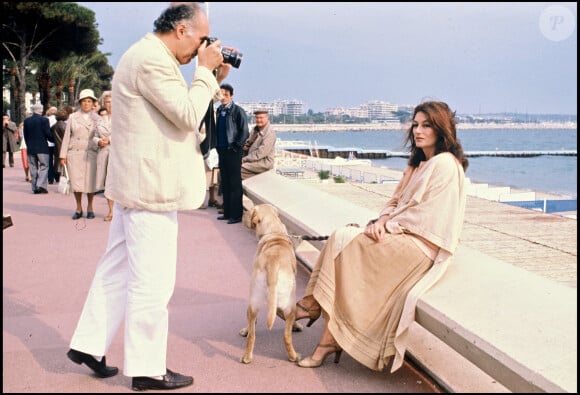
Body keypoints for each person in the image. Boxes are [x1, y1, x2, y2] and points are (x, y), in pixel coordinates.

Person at [66, 3, 231, 391]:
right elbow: (188, 115)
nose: (202, 46)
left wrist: (206, 73)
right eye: (201, 38)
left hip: (135, 184)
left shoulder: (147, 55)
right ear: (180, 30)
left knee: (117, 269)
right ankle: (147, 368)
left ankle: (89, 344)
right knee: (152, 282)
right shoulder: (152, 61)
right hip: (150, 189)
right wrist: (205, 73)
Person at [293, 101, 469, 373]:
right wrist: (383, 220)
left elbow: (430, 217)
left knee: (343, 240)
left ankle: (314, 308)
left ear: (441, 129)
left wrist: (389, 227)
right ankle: (327, 337)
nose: (418, 131)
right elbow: (395, 201)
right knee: (343, 242)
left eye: (426, 125)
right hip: (402, 234)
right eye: (415, 124)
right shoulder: (419, 163)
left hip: (420, 246)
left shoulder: (445, 164)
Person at [59, 89, 100, 219]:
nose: (86, 104)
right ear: (80, 103)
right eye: (84, 101)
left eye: (89, 101)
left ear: (93, 103)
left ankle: (90, 207)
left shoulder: (97, 118)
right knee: (76, 183)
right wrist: (63, 155)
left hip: (91, 153)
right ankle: (78, 208)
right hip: (75, 154)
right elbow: (66, 136)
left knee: (90, 182)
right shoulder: (73, 117)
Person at [215, 83, 249, 224]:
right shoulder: (219, 110)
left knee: (235, 183)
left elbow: (245, 131)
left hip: (233, 151)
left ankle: (236, 215)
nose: (223, 97)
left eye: (226, 95)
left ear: (231, 96)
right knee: (225, 182)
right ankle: (227, 212)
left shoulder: (237, 111)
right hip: (222, 150)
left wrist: (236, 146)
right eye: (221, 94)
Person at [23, 103, 53, 194]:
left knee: (33, 167)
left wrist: (29, 144)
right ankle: (40, 186)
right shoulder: (44, 120)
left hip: (31, 147)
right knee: (44, 166)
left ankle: (34, 187)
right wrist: (53, 139)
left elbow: (25, 135)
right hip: (42, 147)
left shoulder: (27, 121)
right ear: (41, 110)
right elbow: (48, 134)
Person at [241, 109, 276, 180]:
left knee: (233, 171)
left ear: (267, 118)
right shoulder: (255, 130)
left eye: (261, 118)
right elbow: (248, 144)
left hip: (263, 164)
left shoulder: (269, 134)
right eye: (257, 118)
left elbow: (260, 153)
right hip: (253, 161)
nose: (259, 120)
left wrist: (244, 160)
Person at [95, 90, 114, 221]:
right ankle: (111, 211)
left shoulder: (123, 117)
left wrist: (110, 140)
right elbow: (93, 136)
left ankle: (121, 210)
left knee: (118, 182)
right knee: (107, 183)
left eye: (112, 102)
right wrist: (98, 141)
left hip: (118, 154)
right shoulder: (99, 119)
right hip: (103, 153)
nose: (110, 105)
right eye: (107, 102)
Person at [52, 108, 69, 184]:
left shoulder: (53, 126)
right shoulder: (65, 126)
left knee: (56, 162)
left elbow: (50, 137)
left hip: (56, 146)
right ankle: (64, 177)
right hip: (64, 146)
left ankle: (57, 177)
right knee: (65, 163)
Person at [45, 106, 58, 184]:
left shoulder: (46, 120)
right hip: (56, 143)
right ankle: (57, 176)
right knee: (56, 160)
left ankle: (50, 178)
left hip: (48, 143)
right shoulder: (58, 120)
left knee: (49, 161)